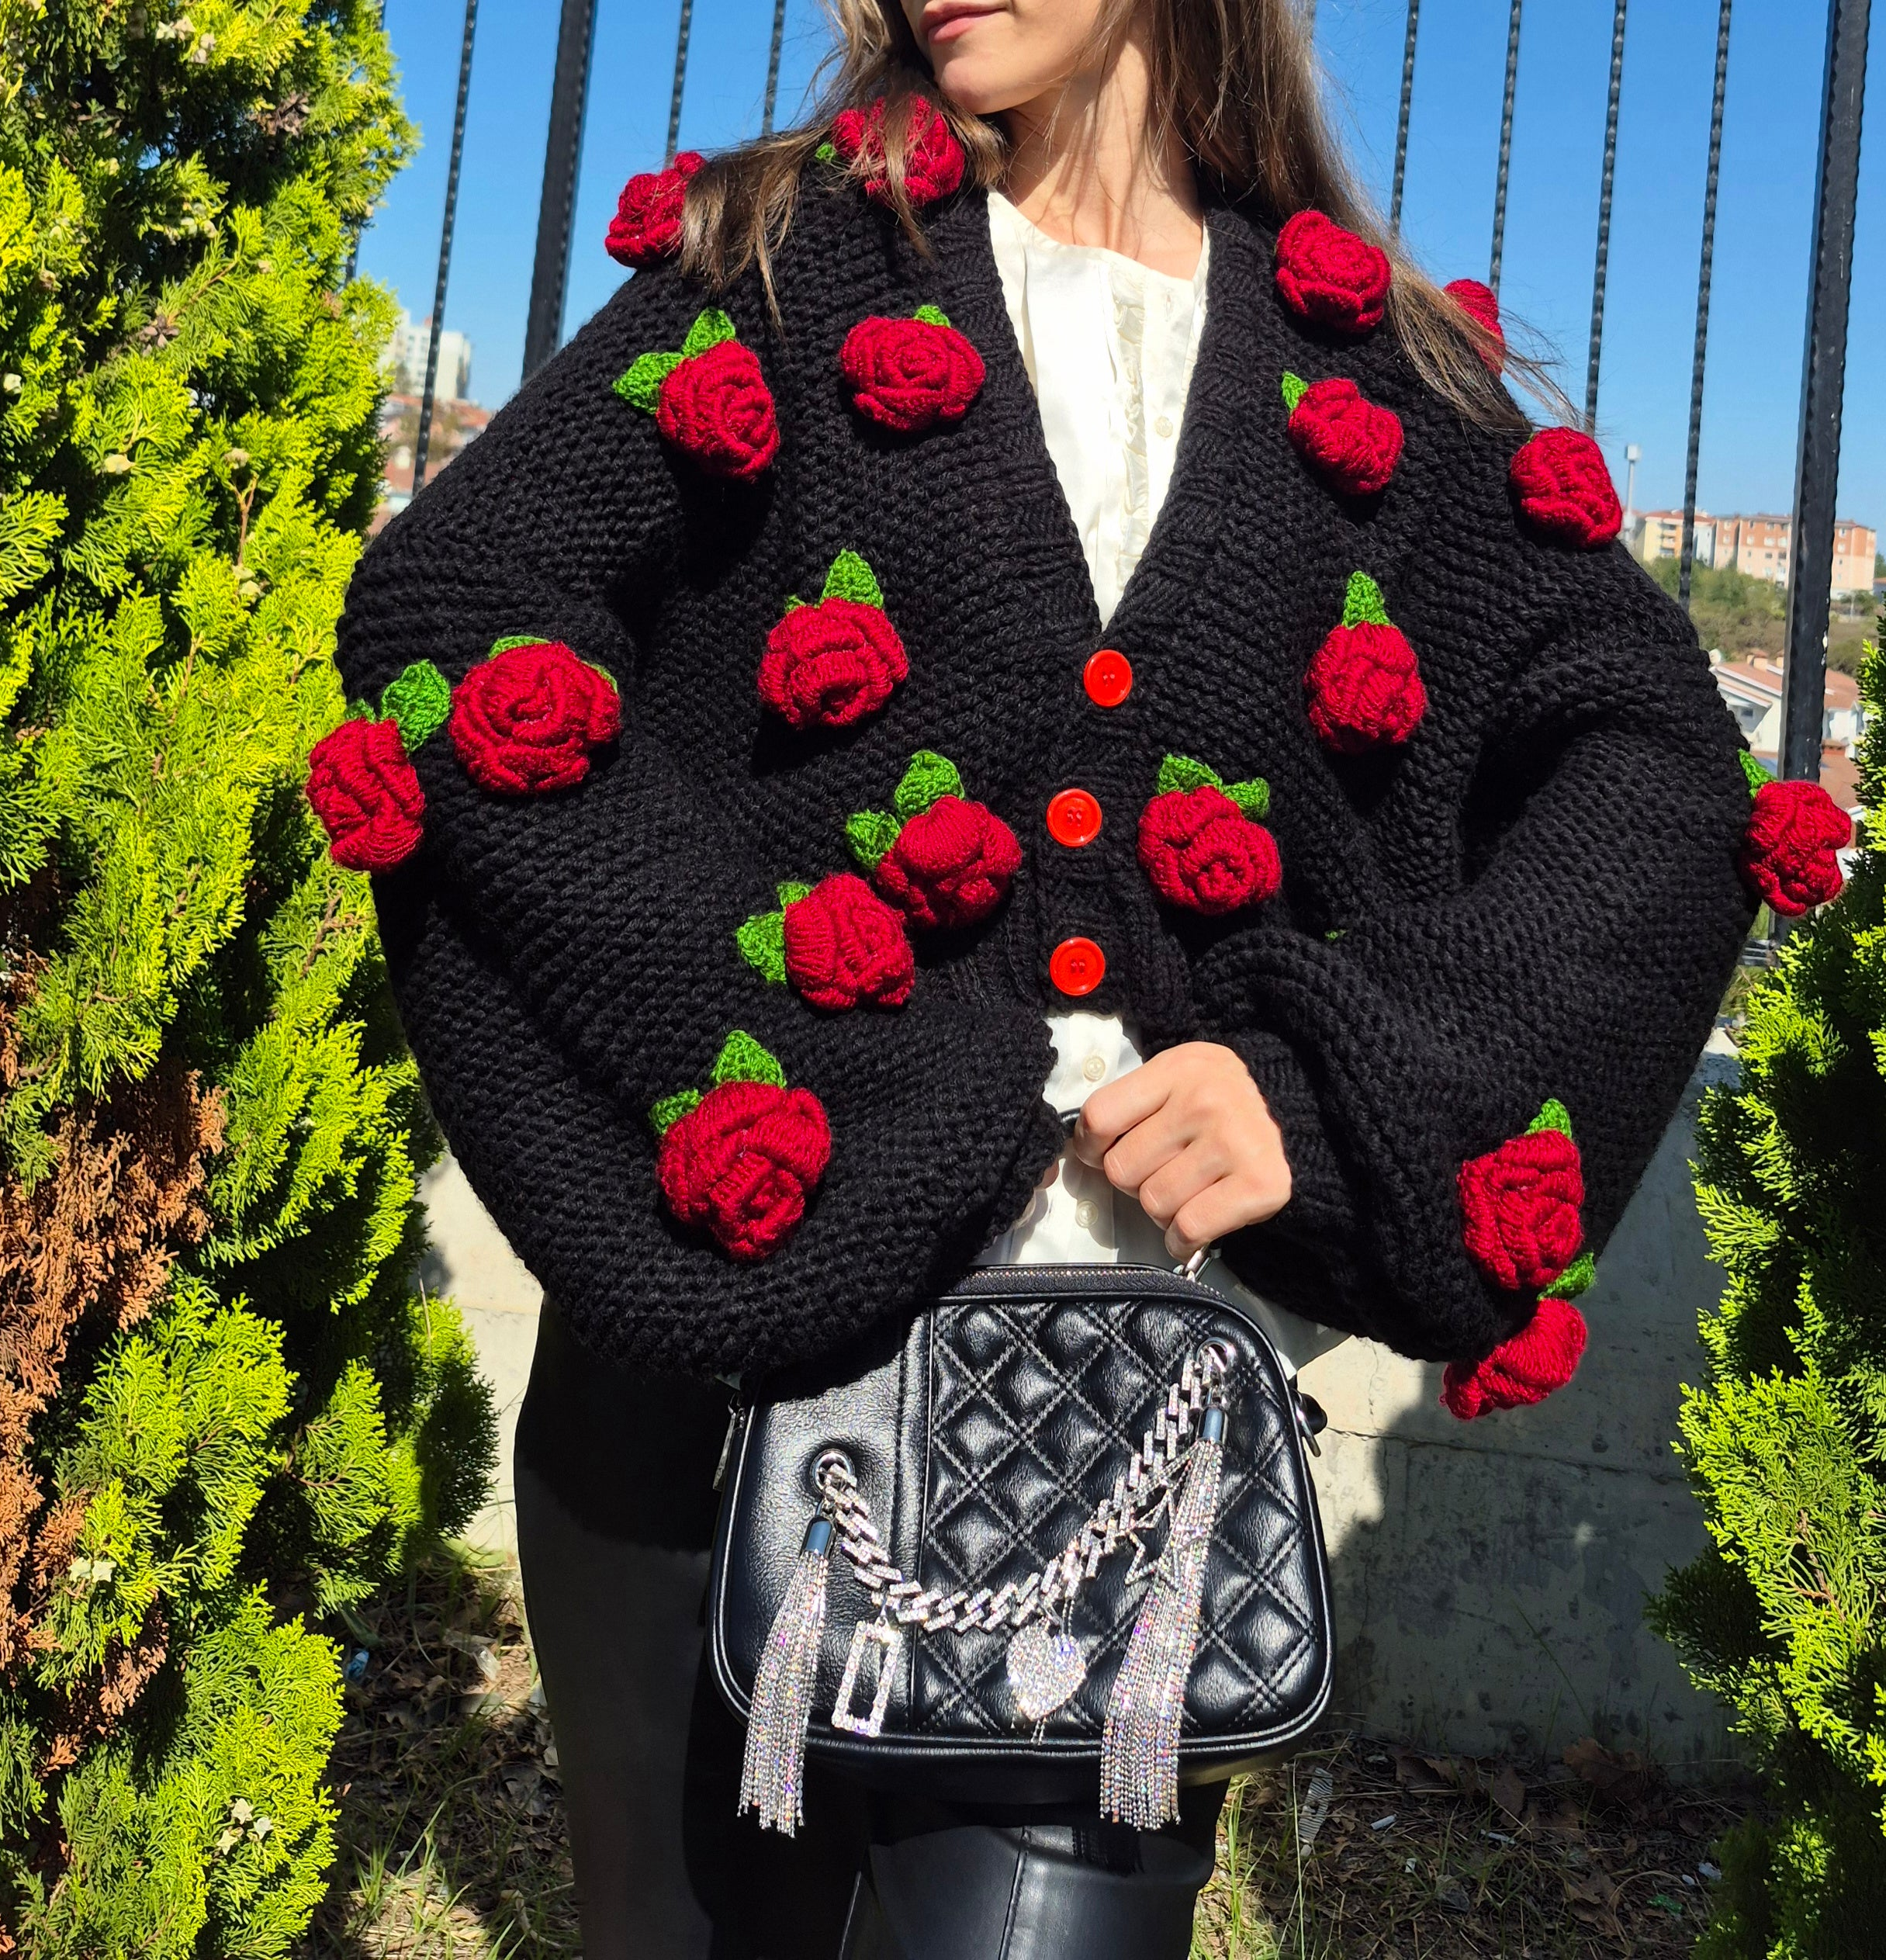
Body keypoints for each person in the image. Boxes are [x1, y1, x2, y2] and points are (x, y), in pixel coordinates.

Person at [322, 0, 1787, 1951]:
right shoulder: (785, 259)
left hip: (1109, 1424)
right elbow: (457, 612)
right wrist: (806, 1062)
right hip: (704, 1382)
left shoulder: (1367, 373)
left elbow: (1658, 766)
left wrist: (1326, 1072)